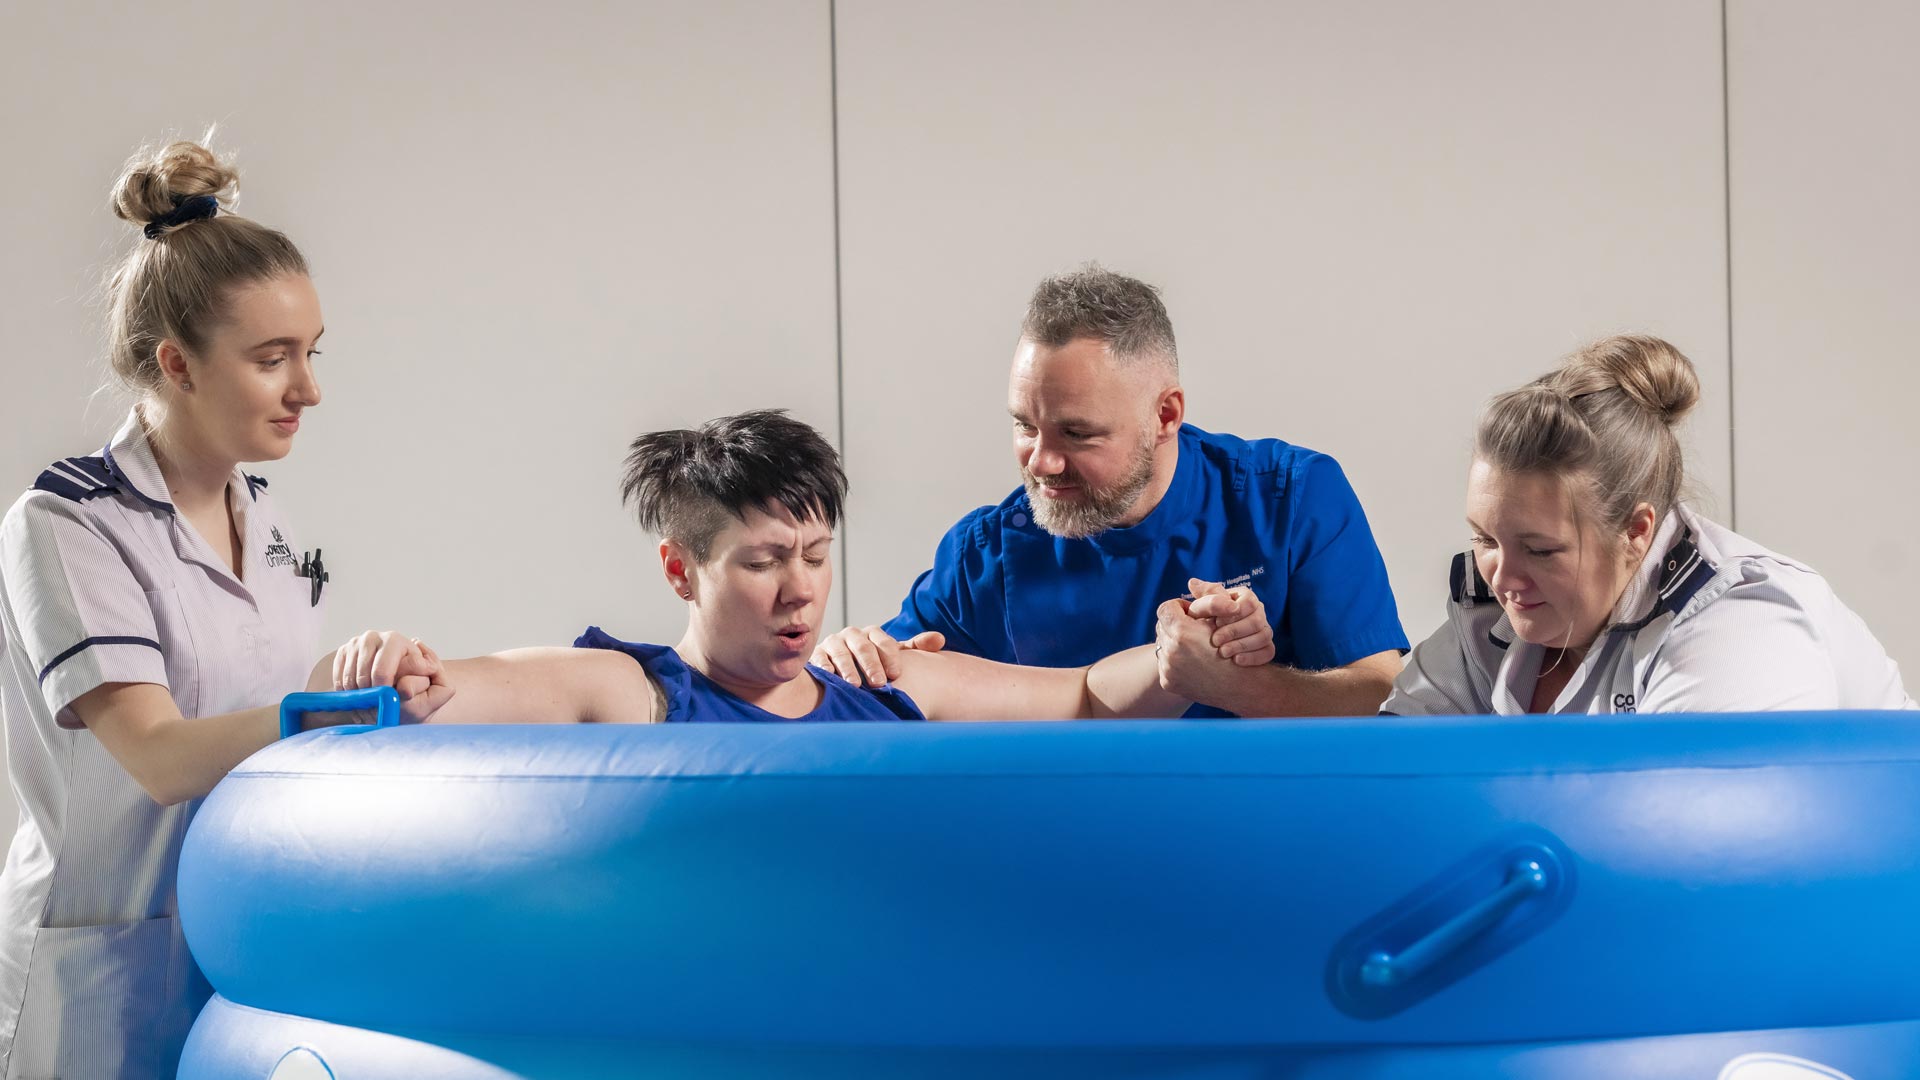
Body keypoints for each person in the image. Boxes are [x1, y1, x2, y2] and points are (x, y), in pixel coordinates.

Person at [0, 139, 444, 1078]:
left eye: (311, 355)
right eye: (273, 359)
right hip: (99, 966)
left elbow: (255, 703)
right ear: (179, 364)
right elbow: (162, 756)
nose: (308, 391)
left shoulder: (267, 524)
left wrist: (359, 675)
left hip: (241, 942)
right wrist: (319, 712)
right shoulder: (68, 519)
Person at [354, 410, 1272, 725]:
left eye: (817, 555)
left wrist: (1174, 653)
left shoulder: (882, 679)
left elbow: (1080, 698)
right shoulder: (636, 693)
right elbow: (463, 689)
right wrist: (394, 669)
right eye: (762, 562)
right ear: (682, 571)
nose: (800, 588)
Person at [812, 264, 1407, 718]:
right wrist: (848, 657)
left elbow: (1381, 696)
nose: (1041, 462)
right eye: (1025, 425)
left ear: (1166, 415)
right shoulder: (988, 553)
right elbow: (879, 688)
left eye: (1077, 433)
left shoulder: (1290, 497)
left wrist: (1241, 683)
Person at [1383, 334, 1913, 715]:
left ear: (1637, 532)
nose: (1503, 578)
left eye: (1541, 550)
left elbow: (1697, 840)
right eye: (1484, 539)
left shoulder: (1741, 623)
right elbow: (1388, 779)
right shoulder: (1490, 612)